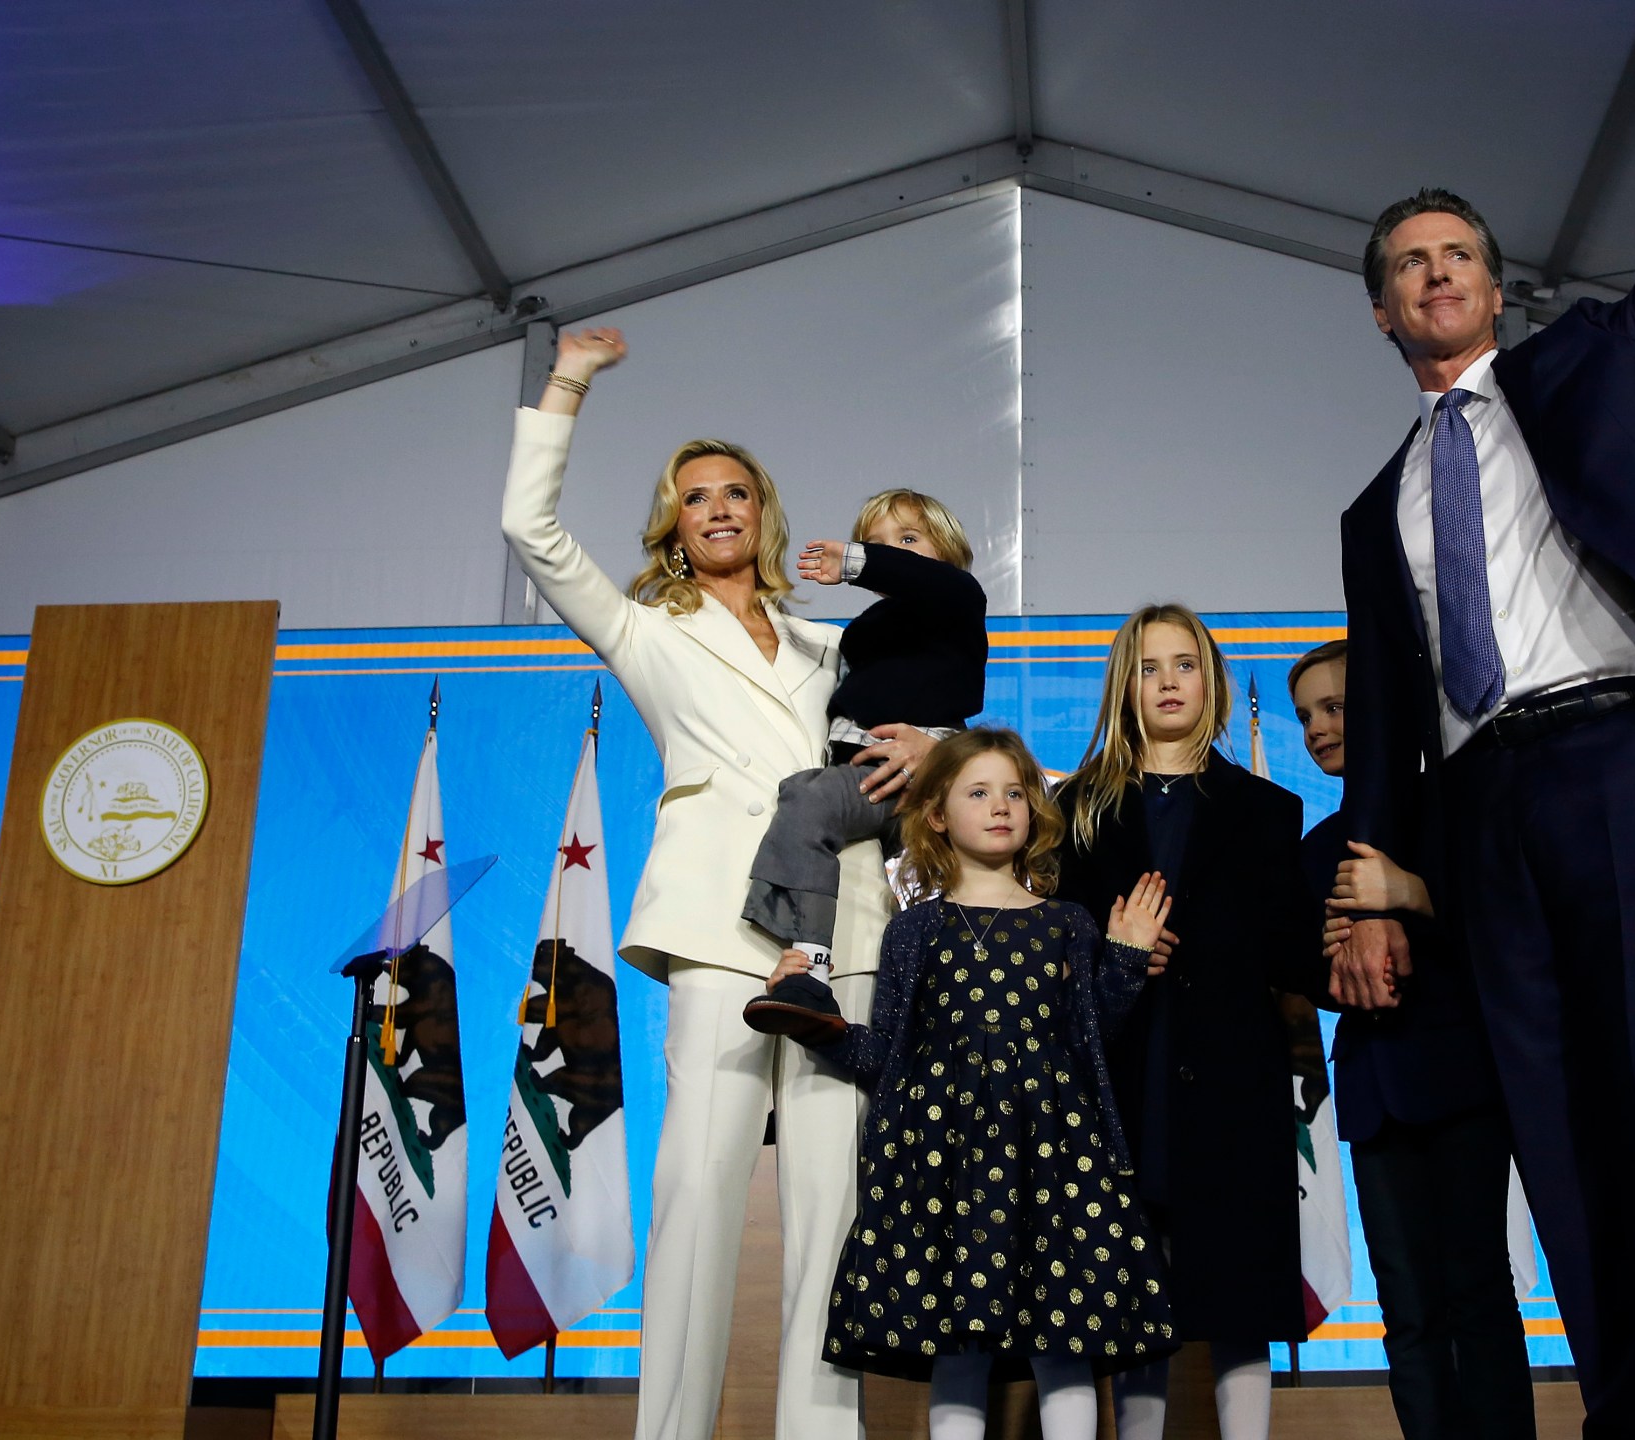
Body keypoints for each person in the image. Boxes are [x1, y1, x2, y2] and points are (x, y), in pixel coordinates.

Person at [1332, 6, 1635, 1436]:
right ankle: (1630, 1410)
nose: (1438, 273)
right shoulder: (1376, 507)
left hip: (1621, 760)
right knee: (1556, 1129)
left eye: (1459, 254)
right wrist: (1371, 889)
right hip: (1482, 814)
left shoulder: (1598, 359)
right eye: (1410, 263)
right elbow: (1383, 716)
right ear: (1382, 310)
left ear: (1495, 287)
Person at [499, 325, 937, 1440]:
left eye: (736, 491)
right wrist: (567, 383)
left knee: (832, 1209)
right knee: (696, 1194)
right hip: (715, 932)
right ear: (674, 525)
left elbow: (913, 718)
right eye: (696, 497)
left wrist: (933, 746)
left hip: (843, 935)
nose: (719, 508)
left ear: (764, 513)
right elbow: (531, 531)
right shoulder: (648, 630)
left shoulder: (825, 643)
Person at [766, 727, 1179, 1440]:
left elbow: (1092, 1038)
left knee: (1065, 1342)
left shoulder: (1069, 924)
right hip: (942, 1169)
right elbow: (887, 1054)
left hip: (1055, 1165)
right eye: (978, 792)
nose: (1001, 806)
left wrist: (1125, 957)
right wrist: (816, 1021)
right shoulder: (915, 932)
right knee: (955, 1345)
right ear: (934, 815)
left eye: (1015, 792)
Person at [1052, 605, 1322, 1440]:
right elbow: (1052, 953)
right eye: (1148, 666)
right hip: (1120, 1076)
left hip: (1234, 1084)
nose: (1168, 681)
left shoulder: (1271, 811)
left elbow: (1290, 960)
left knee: (1241, 1293)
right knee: (1133, 1294)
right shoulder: (1073, 810)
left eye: (1184, 664)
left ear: (1210, 680)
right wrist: (1115, 955)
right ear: (1123, 684)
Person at [1288, 641, 1532, 1440]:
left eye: (1335, 707)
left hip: (1462, 1079)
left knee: (1476, 1292)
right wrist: (1326, 964)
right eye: (1305, 717)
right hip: (1375, 1092)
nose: (1319, 728)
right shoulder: (1315, 847)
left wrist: (1413, 895)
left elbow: (1513, 933)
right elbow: (1301, 975)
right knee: (1408, 1310)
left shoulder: (1458, 807)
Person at [742, 489, 989, 1039]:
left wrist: (857, 560)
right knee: (810, 804)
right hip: (868, 784)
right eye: (876, 542)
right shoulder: (862, 633)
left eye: (907, 539)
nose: (892, 553)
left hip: (930, 783)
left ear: (946, 549)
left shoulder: (959, 598)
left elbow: (928, 581)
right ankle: (810, 963)